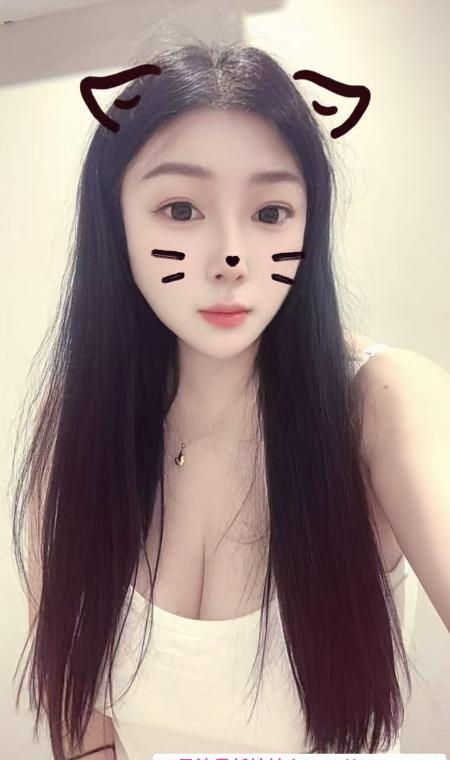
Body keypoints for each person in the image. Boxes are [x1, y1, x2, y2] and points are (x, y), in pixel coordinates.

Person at [12, 40, 420, 760]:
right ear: (116, 220)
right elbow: (83, 724)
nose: (231, 258)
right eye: (180, 208)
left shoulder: (383, 402)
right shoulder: (77, 421)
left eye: (270, 212)